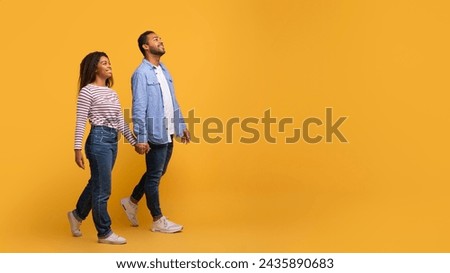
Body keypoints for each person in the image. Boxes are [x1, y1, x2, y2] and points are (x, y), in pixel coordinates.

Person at [120, 30, 190, 233]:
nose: (161, 40)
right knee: (154, 176)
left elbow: (172, 101)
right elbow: (139, 107)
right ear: (145, 46)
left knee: (157, 172)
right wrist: (140, 138)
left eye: (161, 38)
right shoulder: (141, 74)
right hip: (154, 132)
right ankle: (158, 219)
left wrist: (181, 125)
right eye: (155, 39)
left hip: (168, 130)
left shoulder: (164, 70)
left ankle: (131, 202)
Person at [68, 51, 139, 244]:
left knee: (97, 183)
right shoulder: (87, 91)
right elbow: (81, 120)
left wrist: (134, 143)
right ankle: (104, 232)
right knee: (103, 189)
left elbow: (119, 121)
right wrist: (77, 149)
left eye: (109, 63)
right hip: (98, 139)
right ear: (94, 67)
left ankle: (76, 215)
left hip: (112, 140)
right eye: (104, 63)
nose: (109, 66)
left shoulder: (112, 92)